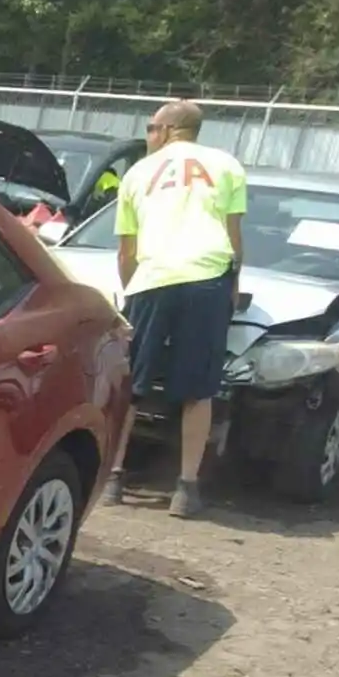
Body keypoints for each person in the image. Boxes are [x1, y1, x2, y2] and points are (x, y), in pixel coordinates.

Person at [101, 100, 246, 518]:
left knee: (133, 383)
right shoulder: (227, 166)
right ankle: (186, 487)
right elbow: (234, 237)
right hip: (207, 279)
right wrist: (233, 285)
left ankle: (113, 476)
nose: (148, 135)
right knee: (199, 389)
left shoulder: (138, 173)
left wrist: (131, 292)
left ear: (168, 130)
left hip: (153, 278)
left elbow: (126, 249)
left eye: (151, 127)